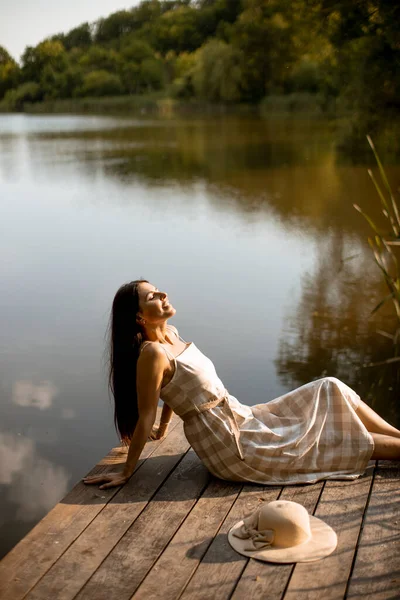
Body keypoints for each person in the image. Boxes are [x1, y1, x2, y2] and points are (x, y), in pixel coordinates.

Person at [83, 279, 400, 491]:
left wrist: (166, 428)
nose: (163, 295)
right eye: (152, 297)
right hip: (228, 444)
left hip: (239, 415)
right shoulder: (152, 354)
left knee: (329, 386)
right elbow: (146, 412)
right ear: (139, 317)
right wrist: (127, 470)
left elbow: (169, 390)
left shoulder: (172, 334)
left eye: (159, 290)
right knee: (332, 440)